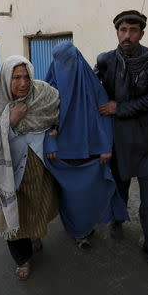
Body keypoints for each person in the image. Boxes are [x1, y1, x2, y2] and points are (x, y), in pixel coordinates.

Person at [95, 10, 148, 271]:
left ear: (142, 33)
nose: (127, 36)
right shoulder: (105, 60)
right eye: (123, 30)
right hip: (119, 139)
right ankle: (118, 220)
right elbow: (94, 90)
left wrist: (120, 108)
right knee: (119, 185)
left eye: (133, 30)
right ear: (116, 31)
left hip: (147, 139)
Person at [0, 55, 60, 280]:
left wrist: (54, 130)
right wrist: (10, 121)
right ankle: (22, 258)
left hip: (35, 167)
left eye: (26, 77)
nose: (23, 83)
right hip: (7, 171)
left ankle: (34, 235)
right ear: (6, 78)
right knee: (10, 213)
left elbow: (57, 112)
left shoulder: (42, 93)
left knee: (34, 207)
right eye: (16, 77)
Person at [43, 42, 129, 249]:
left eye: (69, 61)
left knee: (88, 195)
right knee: (68, 197)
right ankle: (76, 231)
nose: (64, 67)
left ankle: (87, 227)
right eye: (59, 61)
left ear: (78, 60)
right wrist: (50, 142)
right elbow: (41, 119)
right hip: (61, 154)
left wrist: (105, 147)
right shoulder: (47, 90)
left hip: (89, 152)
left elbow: (104, 117)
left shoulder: (92, 86)